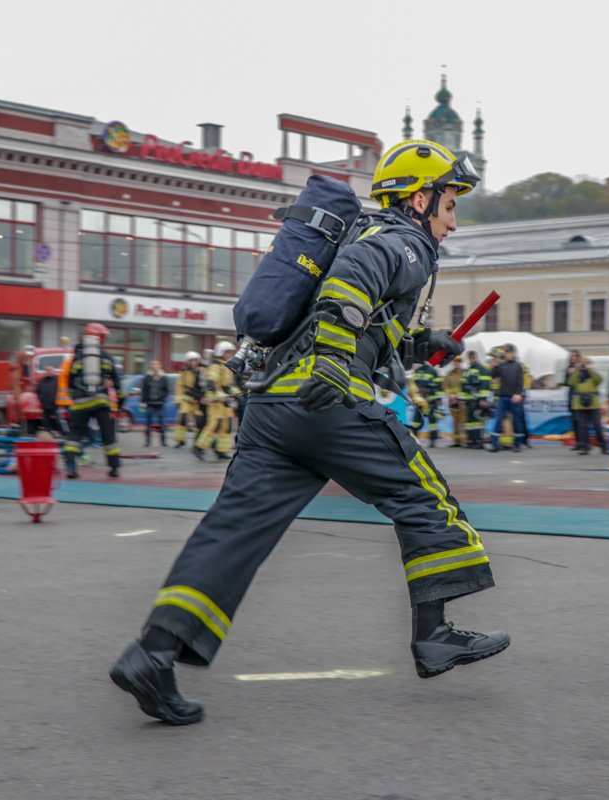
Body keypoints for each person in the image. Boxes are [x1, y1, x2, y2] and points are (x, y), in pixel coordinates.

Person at [110, 139, 507, 725]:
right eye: (450, 203)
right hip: (325, 400)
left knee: (234, 530)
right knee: (425, 497)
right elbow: (349, 285)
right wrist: (330, 363)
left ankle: (154, 654)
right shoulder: (405, 241)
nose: (452, 220)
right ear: (420, 198)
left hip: (272, 408)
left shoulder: (365, 236)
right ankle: (436, 633)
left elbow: (360, 317)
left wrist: (425, 344)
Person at [60, 323, 122, 479]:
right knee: (108, 436)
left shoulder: (76, 357)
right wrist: (120, 403)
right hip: (100, 402)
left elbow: (70, 380)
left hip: (80, 402)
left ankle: (71, 468)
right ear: (100, 338)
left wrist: (74, 397)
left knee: (73, 436)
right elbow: (117, 382)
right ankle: (114, 468)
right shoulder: (106, 357)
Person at [194, 342, 239, 460]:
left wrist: (238, 392)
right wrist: (219, 393)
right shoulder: (215, 366)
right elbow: (211, 382)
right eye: (228, 352)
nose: (230, 354)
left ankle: (221, 451)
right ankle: (199, 448)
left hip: (225, 400)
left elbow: (228, 385)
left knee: (226, 426)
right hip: (214, 400)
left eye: (231, 352)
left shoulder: (227, 366)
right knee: (214, 425)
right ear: (220, 352)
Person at [567, 354, 609, 455]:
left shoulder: (592, 373)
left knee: (597, 425)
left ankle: (604, 446)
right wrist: (577, 370)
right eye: (582, 363)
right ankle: (585, 446)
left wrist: (590, 370)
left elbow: (599, 380)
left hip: (593, 404)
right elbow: (571, 383)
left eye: (585, 363)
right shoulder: (576, 374)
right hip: (579, 404)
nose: (583, 365)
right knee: (582, 427)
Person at [489, 344, 527, 453]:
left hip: (514, 397)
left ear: (513, 353)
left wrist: (518, 394)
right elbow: (493, 375)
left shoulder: (518, 366)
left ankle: (517, 444)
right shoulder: (502, 365)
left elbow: (520, 381)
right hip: (502, 397)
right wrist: (495, 365)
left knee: (517, 421)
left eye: (507, 352)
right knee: (498, 420)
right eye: (504, 352)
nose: (505, 354)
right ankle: (495, 445)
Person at [172, 352, 205, 449]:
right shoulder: (184, 372)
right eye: (191, 361)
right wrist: (178, 399)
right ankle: (180, 440)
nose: (193, 363)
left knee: (199, 421)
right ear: (188, 362)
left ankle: (197, 441)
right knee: (182, 418)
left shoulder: (203, 371)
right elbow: (179, 386)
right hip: (186, 399)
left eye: (195, 360)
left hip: (198, 400)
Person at [462, 350, 493, 449]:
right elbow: (464, 386)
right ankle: (472, 440)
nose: (472, 359)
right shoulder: (467, 370)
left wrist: (482, 399)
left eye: (473, 357)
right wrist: (462, 399)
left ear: (476, 357)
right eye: (470, 358)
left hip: (478, 400)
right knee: (470, 422)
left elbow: (485, 385)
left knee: (478, 421)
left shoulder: (482, 369)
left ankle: (479, 441)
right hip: (469, 401)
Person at [409, 360, 444, 447]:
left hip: (431, 400)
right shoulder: (417, 370)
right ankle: (414, 441)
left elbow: (438, 386)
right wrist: (416, 393)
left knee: (433, 422)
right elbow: (413, 385)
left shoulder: (433, 371)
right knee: (416, 421)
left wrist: (437, 398)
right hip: (420, 401)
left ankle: (433, 441)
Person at [140, 359, 169, 448]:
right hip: (149, 403)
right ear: (151, 366)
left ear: (159, 366)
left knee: (162, 423)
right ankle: (148, 442)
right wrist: (143, 401)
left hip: (160, 403)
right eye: (153, 364)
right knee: (148, 423)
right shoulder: (147, 377)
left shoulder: (163, 377)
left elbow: (166, 390)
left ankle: (163, 442)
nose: (155, 366)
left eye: (157, 364)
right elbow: (144, 390)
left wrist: (163, 398)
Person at [442, 355, 465, 447]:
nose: (457, 363)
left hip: (462, 401)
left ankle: (465, 441)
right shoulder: (449, 374)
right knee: (455, 422)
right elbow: (445, 386)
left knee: (463, 421)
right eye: (455, 361)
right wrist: (450, 395)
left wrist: (458, 396)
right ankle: (457, 441)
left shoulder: (465, 373)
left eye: (459, 361)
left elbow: (466, 387)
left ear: (461, 362)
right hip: (452, 402)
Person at [35, 365, 63, 435]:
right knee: (45, 421)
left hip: (56, 404)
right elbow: (38, 391)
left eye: (49, 370)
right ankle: (48, 434)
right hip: (45, 404)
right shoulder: (42, 381)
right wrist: (41, 400)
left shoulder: (59, 379)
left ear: (54, 371)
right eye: (46, 371)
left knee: (58, 420)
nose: (48, 372)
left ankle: (64, 433)